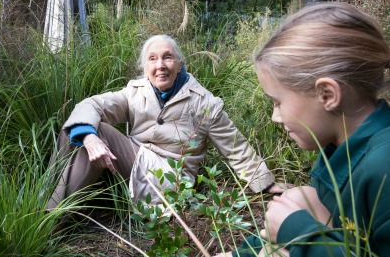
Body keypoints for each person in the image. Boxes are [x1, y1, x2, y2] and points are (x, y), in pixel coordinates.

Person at [197, 2, 390, 257]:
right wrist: (239, 255)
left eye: (277, 102)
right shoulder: (340, 147)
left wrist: (299, 234)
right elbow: (320, 212)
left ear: (327, 94)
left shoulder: (384, 167)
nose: (275, 116)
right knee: (303, 199)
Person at [47, 34, 284, 211]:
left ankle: (51, 217)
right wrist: (89, 138)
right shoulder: (135, 92)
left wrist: (264, 183)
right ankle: (46, 199)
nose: (160, 65)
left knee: (98, 130)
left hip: (171, 180)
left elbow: (235, 147)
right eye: (153, 59)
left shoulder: (204, 103)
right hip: (136, 164)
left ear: (179, 64)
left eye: (167, 57)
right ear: (145, 67)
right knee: (80, 128)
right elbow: (90, 106)